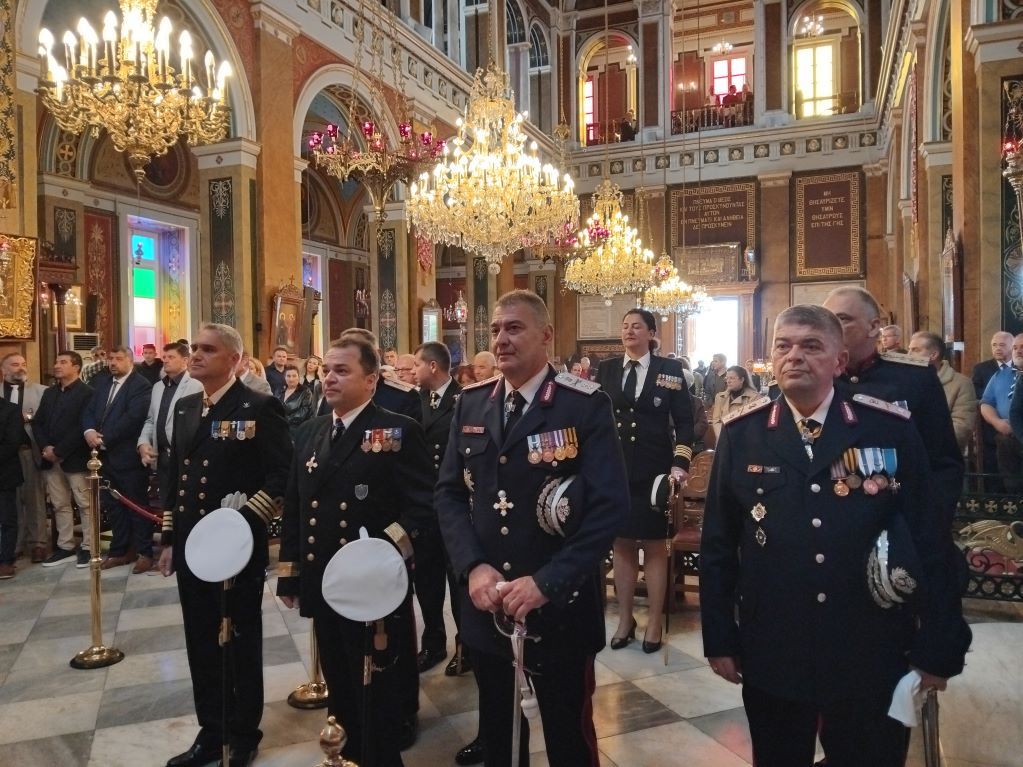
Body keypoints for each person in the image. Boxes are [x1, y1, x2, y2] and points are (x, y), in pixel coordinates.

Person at [700, 304, 971, 767]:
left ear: (839, 360)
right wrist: (720, 636)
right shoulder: (743, 433)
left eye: (811, 346)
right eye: (783, 346)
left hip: (869, 644)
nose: (795, 356)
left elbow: (930, 536)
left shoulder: (886, 426)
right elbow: (719, 544)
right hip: (776, 644)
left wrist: (940, 641)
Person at [437, 290, 629, 767]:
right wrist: (472, 566)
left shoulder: (582, 405)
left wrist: (547, 582)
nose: (501, 339)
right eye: (496, 329)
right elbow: (449, 494)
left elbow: (608, 507)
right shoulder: (472, 404)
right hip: (488, 606)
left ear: (546, 335)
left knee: (569, 740)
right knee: (500, 738)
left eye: (515, 328)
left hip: (560, 607)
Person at [277, 334, 434, 767]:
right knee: (340, 684)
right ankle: (346, 757)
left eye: (342, 371)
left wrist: (385, 551)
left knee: (376, 688)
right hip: (324, 581)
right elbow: (296, 506)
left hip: (374, 583)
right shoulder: (310, 432)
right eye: (327, 370)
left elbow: (423, 507)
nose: (329, 378)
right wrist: (291, 573)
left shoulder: (397, 430)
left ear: (370, 380)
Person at [159, 324, 292, 767]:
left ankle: (243, 733)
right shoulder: (186, 406)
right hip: (192, 544)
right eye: (194, 348)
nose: (196, 355)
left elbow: (281, 476)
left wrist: (243, 519)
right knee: (200, 639)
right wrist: (169, 537)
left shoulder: (259, 406)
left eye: (208, 349)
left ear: (234, 359)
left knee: (238, 638)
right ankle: (211, 731)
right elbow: (175, 475)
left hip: (236, 545)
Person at [822, 287, 963, 530]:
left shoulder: (914, 377)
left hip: (901, 517)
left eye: (842, 319)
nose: (831, 329)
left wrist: (932, 526)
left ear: (873, 326)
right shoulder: (818, 379)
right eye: (827, 321)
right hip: (834, 519)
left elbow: (942, 461)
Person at [596, 308, 695, 653]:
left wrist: (680, 463)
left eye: (636, 326)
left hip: (655, 472)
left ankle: (654, 620)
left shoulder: (670, 370)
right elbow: (597, 419)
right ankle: (625, 619)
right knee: (621, 544)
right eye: (625, 326)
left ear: (652, 333)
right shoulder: (607, 369)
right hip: (616, 470)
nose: (629, 331)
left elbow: (685, 422)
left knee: (654, 546)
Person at [411, 342, 463, 674]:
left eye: (417, 364)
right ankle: (433, 642)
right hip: (423, 504)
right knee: (427, 580)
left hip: (454, 503)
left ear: (433, 366)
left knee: (458, 580)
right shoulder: (414, 400)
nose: (412, 371)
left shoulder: (463, 399)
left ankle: (465, 645)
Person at [81, 345, 153, 572]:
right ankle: (119, 551)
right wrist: (89, 431)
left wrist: (103, 439)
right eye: (111, 359)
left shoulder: (140, 385)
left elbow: (133, 418)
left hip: (127, 456)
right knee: (113, 506)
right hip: (104, 457)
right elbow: (88, 410)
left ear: (130, 360)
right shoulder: (101, 383)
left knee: (136, 505)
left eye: (118, 358)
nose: (112, 363)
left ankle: (144, 552)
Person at [35, 352, 96, 568]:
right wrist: (46, 447)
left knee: (85, 504)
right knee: (59, 504)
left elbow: (83, 427)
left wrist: (59, 451)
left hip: (75, 458)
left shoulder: (87, 393)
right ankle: (65, 545)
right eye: (56, 361)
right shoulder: (50, 392)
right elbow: (38, 423)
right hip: (51, 459)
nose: (56, 365)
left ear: (76, 367)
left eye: (63, 362)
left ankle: (89, 547)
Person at [137, 342, 203, 499]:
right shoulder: (158, 387)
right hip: (161, 458)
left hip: (185, 458)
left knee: (184, 502)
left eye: (171, 357)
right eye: (164, 357)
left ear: (185, 360)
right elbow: (151, 420)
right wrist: (143, 442)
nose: (165, 360)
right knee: (166, 503)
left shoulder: (196, 386)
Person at [1, 353, 48, 563]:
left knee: (34, 498)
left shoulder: (40, 391)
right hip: (5, 457)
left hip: (29, 450)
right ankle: (15, 544)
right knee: (11, 501)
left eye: (23, 364)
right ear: (3, 370)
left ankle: (38, 543)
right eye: (14, 364)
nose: (20, 367)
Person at [907, 332, 977, 451]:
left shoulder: (961, 384)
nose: (909, 355)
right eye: (909, 349)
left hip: (939, 452)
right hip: (905, 451)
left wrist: (922, 445)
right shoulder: (903, 381)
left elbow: (962, 427)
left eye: (915, 350)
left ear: (933, 355)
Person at [979, 333, 1023, 491]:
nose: (1018, 351)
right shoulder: (1000, 374)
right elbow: (986, 403)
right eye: (1015, 348)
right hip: (1006, 437)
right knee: (1011, 485)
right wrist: (997, 422)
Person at [971, 331, 1014, 476]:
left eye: (1002, 345)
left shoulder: (1018, 368)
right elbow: (976, 393)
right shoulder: (982, 368)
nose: (997, 348)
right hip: (990, 425)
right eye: (994, 345)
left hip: (1015, 427)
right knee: (992, 467)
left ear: (1012, 347)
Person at [0, 397, 25, 579]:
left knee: (7, 518)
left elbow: (13, 442)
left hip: (4, 474)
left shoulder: (10, 409)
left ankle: (6, 560)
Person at [709, 365, 761, 439]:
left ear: (742, 379)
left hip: (745, 439)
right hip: (723, 439)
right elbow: (716, 421)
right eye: (727, 378)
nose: (728, 381)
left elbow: (754, 424)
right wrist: (723, 437)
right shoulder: (720, 397)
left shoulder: (754, 397)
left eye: (732, 378)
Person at [279, 364, 314, 437]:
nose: (291, 379)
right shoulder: (279, 390)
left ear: (298, 377)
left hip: (297, 431)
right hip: (280, 429)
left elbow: (304, 412)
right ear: (284, 377)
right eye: (288, 376)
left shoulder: (306, 391)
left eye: (294, 376)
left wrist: (282, 419)